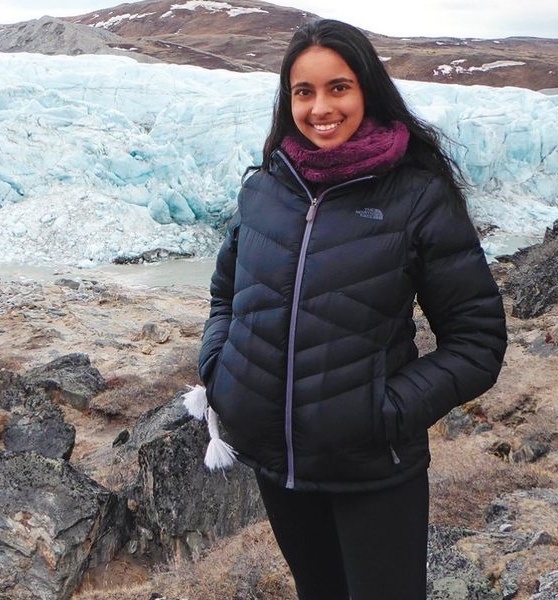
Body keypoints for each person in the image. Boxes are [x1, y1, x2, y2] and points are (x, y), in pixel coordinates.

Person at [197, 18, 508, 600]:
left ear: (367, 88)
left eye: (338, 87)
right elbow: (225, 294)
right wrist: (220, 371)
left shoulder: (416, 196)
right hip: (277, 462)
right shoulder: (266, 189)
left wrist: (383, 412)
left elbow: (477, 340)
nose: (321, 108)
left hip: (373, 468)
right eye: (304, 91)